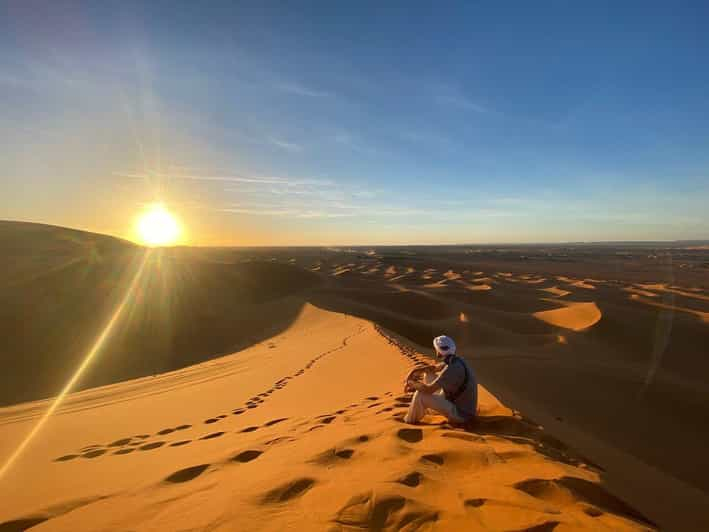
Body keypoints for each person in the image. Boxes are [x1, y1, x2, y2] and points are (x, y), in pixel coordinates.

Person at [403, 335, 477, 425]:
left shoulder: (451, 369)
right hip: (457, 403)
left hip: (462, 416)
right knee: (428, 374)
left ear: (439, 351)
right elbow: (432, 369)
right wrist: (414, 371)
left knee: (420, 395)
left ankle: (409, 421)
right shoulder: (456, 360)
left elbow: (428, 389)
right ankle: (431, 406)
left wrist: (410, 383)